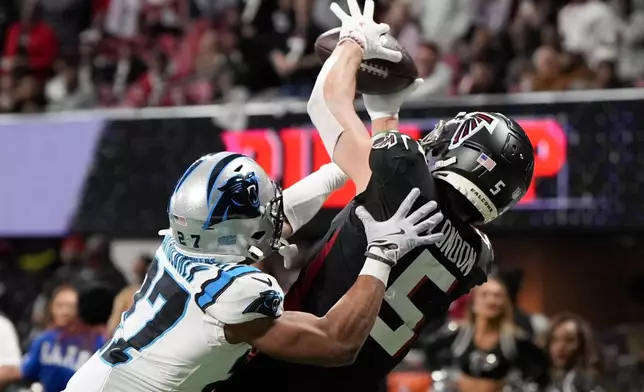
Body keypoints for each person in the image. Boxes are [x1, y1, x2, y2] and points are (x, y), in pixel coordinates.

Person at [218, 1, 535, 391]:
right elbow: (389, 185)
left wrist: (352, 41)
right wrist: (386, 110)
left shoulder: (404, 178)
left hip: (285, 369)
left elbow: (325, 105)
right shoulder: (475, 256)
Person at [63, 154, 445, 392]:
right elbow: (337, 343)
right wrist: (381, 253)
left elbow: (278, 216)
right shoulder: (235, 292)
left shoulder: (183, 242)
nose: (275, 213)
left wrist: (340, 168)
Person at [424, 278, 548, 392]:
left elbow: (541, 366)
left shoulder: (515, 338)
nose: (491, 300)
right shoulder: (458, 334)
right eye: (485, 295)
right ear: (473, 303)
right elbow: (429, 348)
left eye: (497, 296)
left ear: (504, 303)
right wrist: (447, 377)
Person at [0, 284, 106, 392]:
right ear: (51, 307)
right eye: (60, 305)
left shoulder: (97, 341)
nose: (65, 312)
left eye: (70, 306)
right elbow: (26, 371)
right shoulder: (44, 339)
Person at [545, 313, 604, 392]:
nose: (560, 347)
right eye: (555, 340)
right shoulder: (549, 382)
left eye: (569, 340)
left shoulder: (588, 384)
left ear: (582, 345)